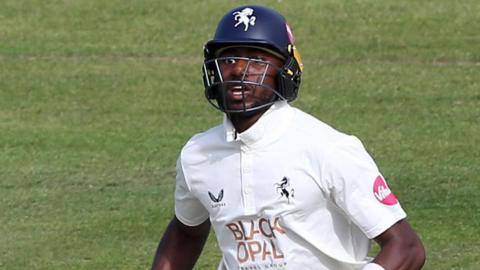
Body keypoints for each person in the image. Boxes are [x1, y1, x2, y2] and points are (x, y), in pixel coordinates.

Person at [151, 5, 425, 270]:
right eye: (229, 58)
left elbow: (406, 248)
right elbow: (187, 231)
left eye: (256, 60)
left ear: (286, 69)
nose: (237, 71)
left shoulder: (328, 148)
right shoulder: (197, 155)